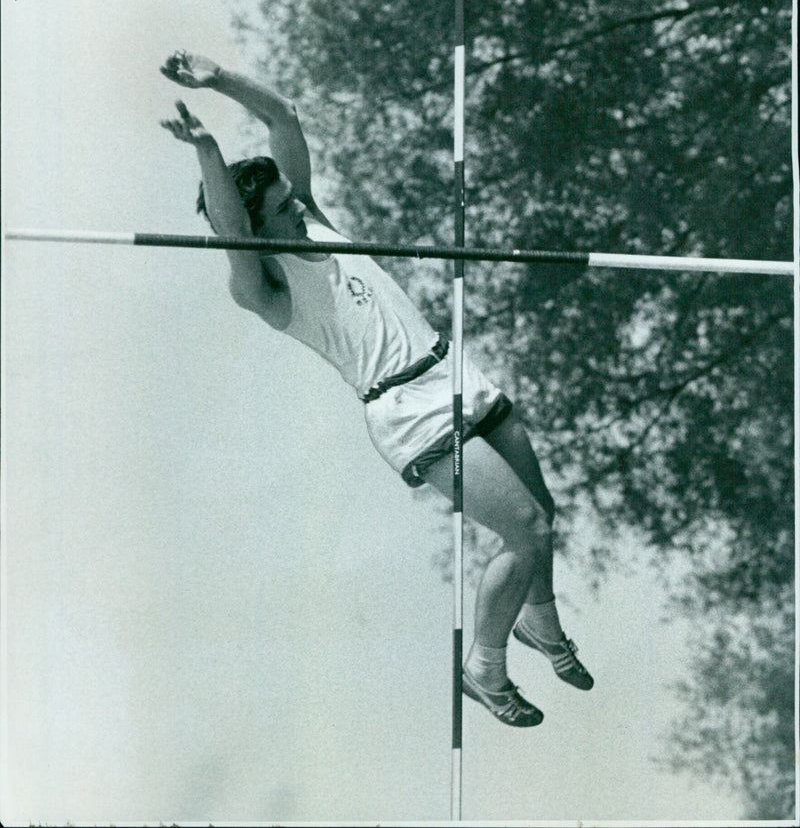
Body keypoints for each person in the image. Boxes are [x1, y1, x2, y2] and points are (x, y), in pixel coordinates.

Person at [159, 50, 593, 727]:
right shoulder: (266, 286)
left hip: (452, 372)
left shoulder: (314, 217)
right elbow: (232, 227)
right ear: (257, 227)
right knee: (528, 531)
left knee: (543, 510)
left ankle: (540, 624)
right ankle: (484, 667)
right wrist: (207, 149)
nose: (296, 211)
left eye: (291, 200)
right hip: (408, 410)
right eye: (281, 209)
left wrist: (216, 79)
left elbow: (283, 116)